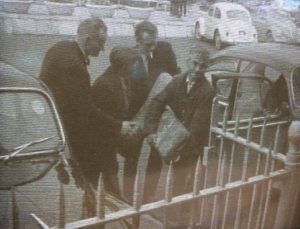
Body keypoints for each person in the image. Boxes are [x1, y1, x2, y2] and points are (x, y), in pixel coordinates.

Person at [39, 18, 134, 192]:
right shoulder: (76, 67)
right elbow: (85, 109)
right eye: (101, 43)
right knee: (87, 181)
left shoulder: (60, 47)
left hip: (50, 119)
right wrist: (118, 125)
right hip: (69, 131)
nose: (102, 49)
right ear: (88, 40)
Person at [143, 47, 215, 227]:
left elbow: (197, 126)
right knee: (154, 163)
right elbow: (157, 102)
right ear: (187, 62)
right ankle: (147, 200)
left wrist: (179, 149)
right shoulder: (176, 81)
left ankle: (178, 216)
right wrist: (151, 131)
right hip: (170, 133)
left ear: (207, 68)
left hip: (190, 143)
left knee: (181, 178)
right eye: (195, 64)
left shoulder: (207, 91)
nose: (198, 69)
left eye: (203, 66)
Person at [121, 20, 180, 203]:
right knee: (132, 156)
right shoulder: (129, 58)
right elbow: (125, 89)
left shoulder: (165, 49)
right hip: (137, 114)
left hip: (158, 114)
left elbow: (175, 74)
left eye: (155, 42)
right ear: (137, 41)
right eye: (148, 45)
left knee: (155, 155)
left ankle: (149, 196)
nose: (153, 47)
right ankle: (127, 196)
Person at [91, 46, 141, 196]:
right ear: (122, 67)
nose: (137, 67)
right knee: (109, 177)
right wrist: (120, 127)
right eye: (134, 65)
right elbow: (97, 121)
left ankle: (125, 194)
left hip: (116, 133)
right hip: (104, 140)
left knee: (132, 154)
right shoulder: (104, 85)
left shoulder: (125, 79)